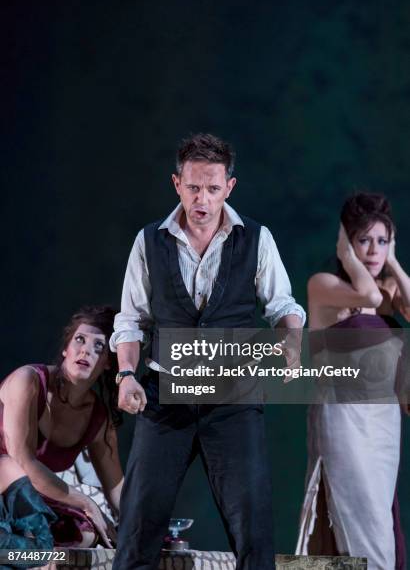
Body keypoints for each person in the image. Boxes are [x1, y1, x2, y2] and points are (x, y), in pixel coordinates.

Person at [110, 132, 305, 570]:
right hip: (166, 393)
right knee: (139, 524)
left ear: (229, 187)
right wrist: (125, 375)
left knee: (252, 529)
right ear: (176, 183)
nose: (203, 199)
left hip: (233, 398)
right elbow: (130, 320)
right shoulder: (149, 241)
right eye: (194, 187)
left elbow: (282, 306)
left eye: (213, 189)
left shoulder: (256, 238)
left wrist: (292, 342)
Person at [295, 193, 410, 570]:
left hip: (384, 425)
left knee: (380, 522)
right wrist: (347, 258)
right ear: (346, 241)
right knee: (361, 527)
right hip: (344, 418)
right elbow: (369, 294)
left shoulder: (391, 291)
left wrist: (392, 259)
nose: (373, 249)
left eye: (382, 240)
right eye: (363, 240)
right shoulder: (324, 285)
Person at [0, 305, 124, 552]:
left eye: (99, 346)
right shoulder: (28, 381)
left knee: (88, 535)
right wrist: (85, 501)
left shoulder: (98, 419)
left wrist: (145, 526)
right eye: (80, 339)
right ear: (66, 349)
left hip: (33, 500)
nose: (86, 350)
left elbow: (117, 489)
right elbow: (21, 463)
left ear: (108, 363)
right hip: (7, 484)